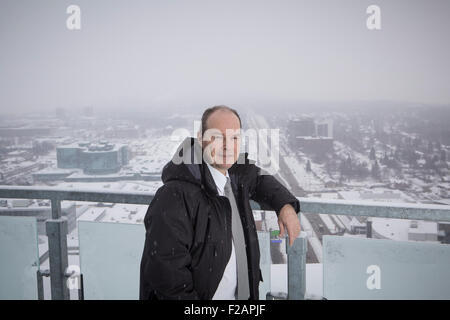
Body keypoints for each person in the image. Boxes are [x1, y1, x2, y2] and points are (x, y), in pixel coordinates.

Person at [139, 105, 301, 300]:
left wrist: (285, 206)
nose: (227, 146)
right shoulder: (175, 196)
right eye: (218, 137)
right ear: (201, 138)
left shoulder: (235, 176)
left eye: (234, 138)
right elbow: (168, 280)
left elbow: (260, 179)